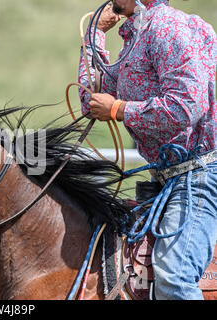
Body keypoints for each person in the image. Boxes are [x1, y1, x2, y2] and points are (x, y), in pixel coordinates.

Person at [78, 0, 217, 299]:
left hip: (199, 175)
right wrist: (95, 36)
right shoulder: (138, 37)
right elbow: (90, 100)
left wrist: (118, 109)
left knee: (174, 277)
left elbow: (186, 106)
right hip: (171, 179)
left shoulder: (167, 28)